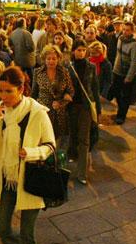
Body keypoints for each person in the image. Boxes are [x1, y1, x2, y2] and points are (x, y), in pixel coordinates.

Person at [0, 66, 55, 244]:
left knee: (27, 234)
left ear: (21, 90)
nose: (3, 96)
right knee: (1, 227)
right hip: (7, 178)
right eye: (0, 91)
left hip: (30, 179)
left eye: (8, 91)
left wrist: (30, 152)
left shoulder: (37, 112)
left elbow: (50, 146)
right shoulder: (0, 111)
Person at [67, 40, 100, 184]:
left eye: (83, 50)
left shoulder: (91, 67)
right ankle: (72, 157)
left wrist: (98, 110)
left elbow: (95, 89)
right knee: (72, 135)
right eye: (78, 50)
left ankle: (82, 173)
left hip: (86, 107)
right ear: (73, 51)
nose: (81, 53)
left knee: (84, 139)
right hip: (71, 106)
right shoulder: (67, 67)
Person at [31, 45, 74, 144]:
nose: (51, 61)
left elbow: (70, 91)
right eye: (48, 59)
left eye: (54, 58)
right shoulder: (37, 72)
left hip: (59, 113)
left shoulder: (64, 72)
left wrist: (61, 102)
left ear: (58, 59)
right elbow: (34, 93)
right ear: (44, 59)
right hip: (43, 111)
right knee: (43, 140)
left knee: (58, 141)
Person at [110, 22, 136, 124]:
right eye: (124, 30)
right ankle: (120, 110)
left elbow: (134, 63)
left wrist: (129, 77)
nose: (125, 32)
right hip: (117, 71)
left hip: (126, 74)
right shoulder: (120, 40)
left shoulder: (135, 45)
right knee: (117, 93)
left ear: (132, 31)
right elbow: (117, 56)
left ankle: (121, 116)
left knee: (125, 96)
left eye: (127, 30)